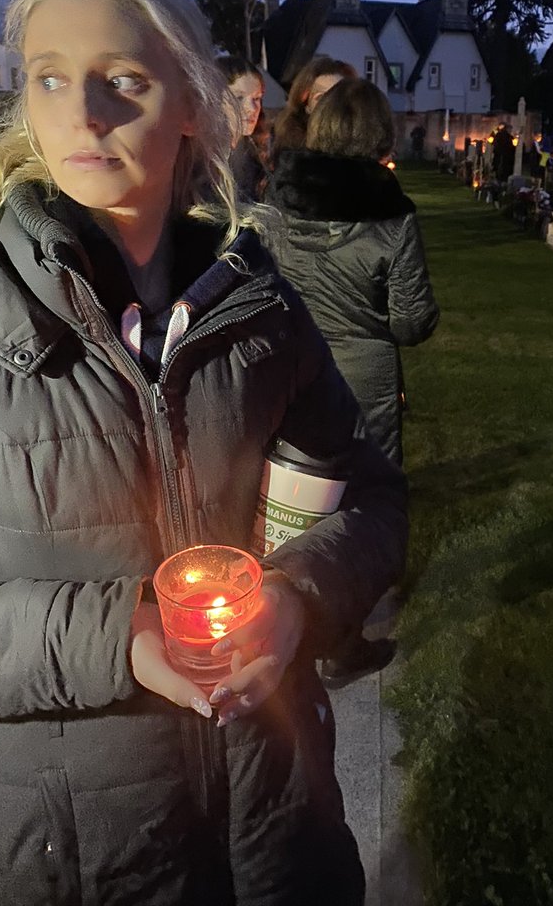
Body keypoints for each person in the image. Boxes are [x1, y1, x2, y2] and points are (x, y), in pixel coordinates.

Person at [0, 0, 407, 906]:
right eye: (49, 80)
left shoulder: (258, 305)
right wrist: (113, 636)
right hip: (74, 860)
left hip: (276, 832)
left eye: (123, 81)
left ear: (191, 105)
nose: (82, 115)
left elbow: (373, 493)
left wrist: (301, 597)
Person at [263, 78, 438, 684]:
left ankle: (284, 619)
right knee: (365, 504)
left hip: (293, 368)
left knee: (299, 500)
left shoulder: (278, 202)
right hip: (364, 376)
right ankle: (341, 640)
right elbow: (414, 320)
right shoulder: (390, 215)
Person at [271, 55, 356, 162]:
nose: (329, 104)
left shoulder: (363, 154)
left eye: (337, 97)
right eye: (321, 97)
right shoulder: (290, 157)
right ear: (306, 105)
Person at [216, 54, 269, 201]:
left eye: (256, 98)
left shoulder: (256, 150)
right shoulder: (201, 156)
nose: (252, 108)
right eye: (239, 98)